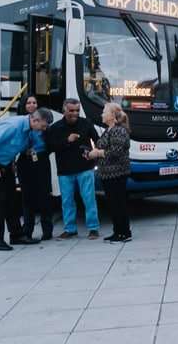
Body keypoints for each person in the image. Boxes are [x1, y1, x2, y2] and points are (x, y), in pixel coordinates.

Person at [0, 105, 54, 251]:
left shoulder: (29, 130)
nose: (43, 130)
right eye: (42, 126)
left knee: (12, 200)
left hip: (5, 164)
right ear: (34, 120)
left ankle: (16, 235)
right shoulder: (12, 126)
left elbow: (13, 148)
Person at [44, 98, 101, 240]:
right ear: (64, 110)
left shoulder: (86, 123)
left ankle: (93, 228)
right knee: (67, 201)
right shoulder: (55, 127)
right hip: (65, 170)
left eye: (77, 110)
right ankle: (70, 229)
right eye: (71, 110)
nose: (75, 113)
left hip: (85, 168)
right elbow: (50, 147)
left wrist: (94, 152)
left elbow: (98, 140)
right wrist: (67, 141)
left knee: (89, 199)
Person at [89, 102, 132, 242]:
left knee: (118, 203)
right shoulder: (109, 130)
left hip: (117, 173)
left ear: (112, 115)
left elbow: (116, 152)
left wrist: (98, 153)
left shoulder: (118, 130)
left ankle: (124, 232)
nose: (102, 114)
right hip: (108, 174)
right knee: (113, 204)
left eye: (104, 111)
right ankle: (117, 231)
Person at [17, 95, 56, 241]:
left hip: (41, 159)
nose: (32, 105)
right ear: (24, 105)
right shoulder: (21, 122)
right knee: (27, 197)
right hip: (25, 161)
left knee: (45, 194)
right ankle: (27, 230)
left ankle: (47, 230)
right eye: (29, 102)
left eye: (34, 102)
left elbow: (51, 142)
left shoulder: (44, 122)